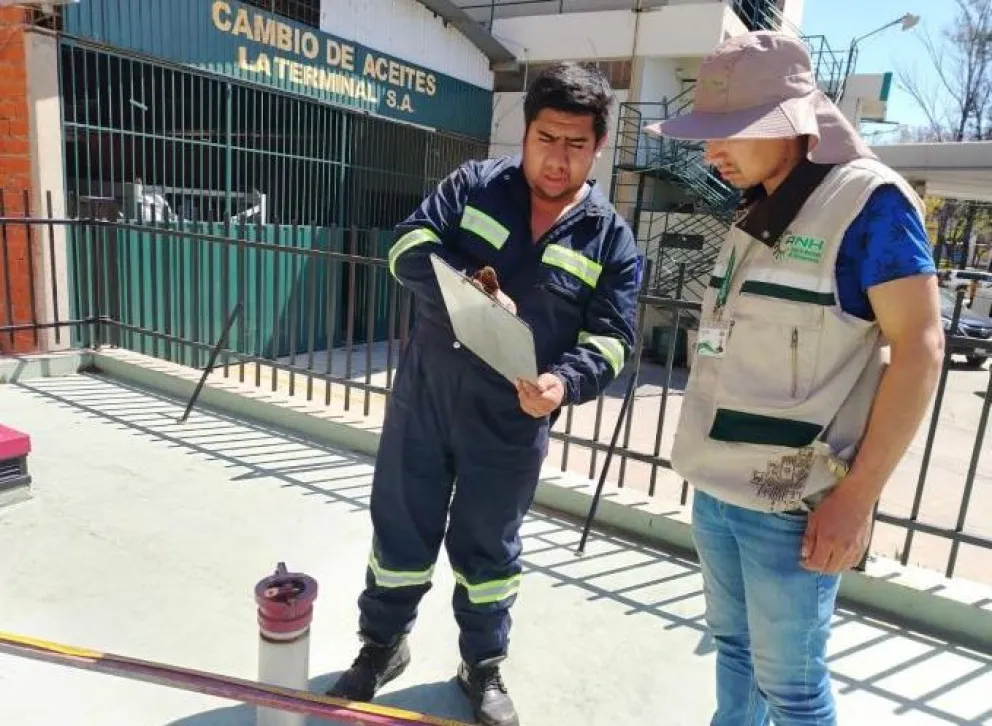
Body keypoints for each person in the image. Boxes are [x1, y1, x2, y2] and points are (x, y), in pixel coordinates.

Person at [326, 62, 642, 726]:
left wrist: (566, 381)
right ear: (524, 133)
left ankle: (482, 665)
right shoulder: (473, 186)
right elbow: (407, 247)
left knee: (488, 549)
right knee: (401, 530)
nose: (558, 159)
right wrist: (470, 284)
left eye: (575, 144)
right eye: (546, 138)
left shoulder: (610, 239)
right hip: (427, 396)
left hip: (511, 420)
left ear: (599, 145)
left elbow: (613, 338)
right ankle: (381, 646)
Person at [645, 31, 944, 726]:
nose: (711, 151)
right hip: (718, 489)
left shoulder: (870, 205)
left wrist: (857, 498)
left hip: (794, 505)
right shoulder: (760, 202)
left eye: (730, 132)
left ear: (794, 122)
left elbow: (920, 349)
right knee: (734, 652)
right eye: (707, 133)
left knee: (795, 690)